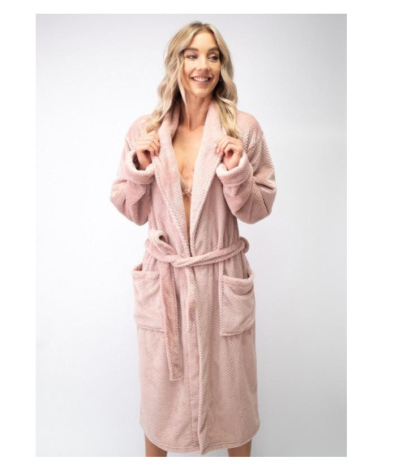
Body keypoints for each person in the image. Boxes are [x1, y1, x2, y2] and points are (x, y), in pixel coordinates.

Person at [110, 21, 277, 457]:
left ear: (222, 66)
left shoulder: (242, 129)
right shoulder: (145, 131)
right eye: (192, 55)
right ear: (177, 62)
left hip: (220, 281)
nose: (203, 65)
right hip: (165, 279)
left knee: (234, 401)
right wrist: (138, 168)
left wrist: (237, 171)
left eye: (213, 56)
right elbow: (131, 209)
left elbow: (259, 209)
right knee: (160, 399)